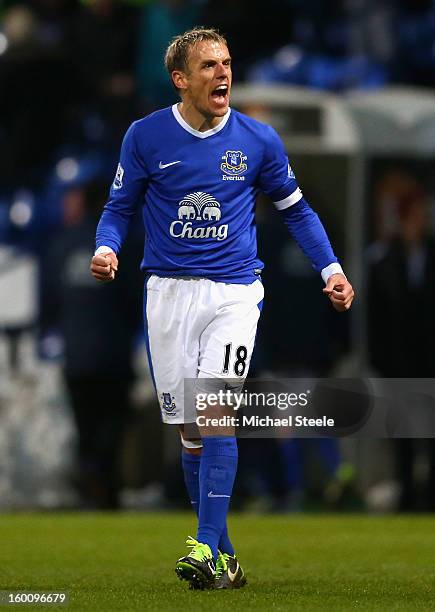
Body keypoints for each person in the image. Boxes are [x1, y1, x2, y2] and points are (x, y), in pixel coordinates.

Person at [90, 27, 354, 589]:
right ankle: (225, 559)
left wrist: (331, 269)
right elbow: (118, 207)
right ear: (181, 79)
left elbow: (297, 211)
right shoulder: (146, 137)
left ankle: (205, 544)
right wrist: (106, 247)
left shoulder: (258, 140)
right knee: (190, 431)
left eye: (227, 63)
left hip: (235, 293)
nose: (223, 75)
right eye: (209, 66)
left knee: (214, 413)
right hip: (167, 293)